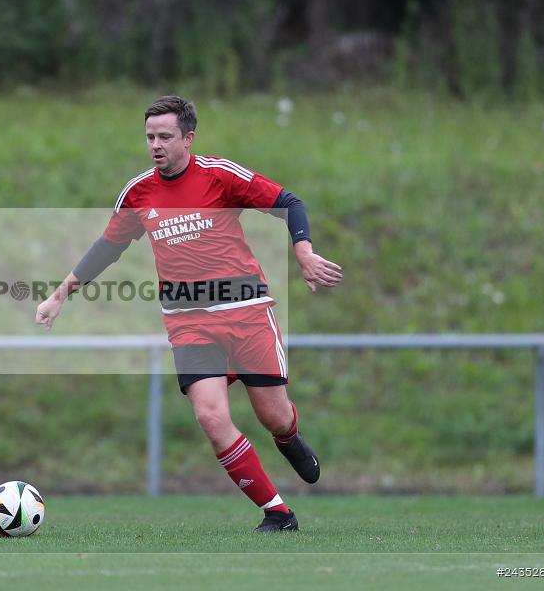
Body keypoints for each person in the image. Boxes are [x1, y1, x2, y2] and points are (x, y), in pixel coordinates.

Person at [36, 96, 342, 532]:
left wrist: (304, 252)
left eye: (165, 136)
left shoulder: (219, 175)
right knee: (211, 417)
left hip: (246, 311)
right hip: (188, 320)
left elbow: (289, 202)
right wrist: (60, 293)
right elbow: (108, 246)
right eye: (149, 137)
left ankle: (288, 436)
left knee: (273, 416)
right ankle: (277, 513)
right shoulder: (139, 191)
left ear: (188, 138)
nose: (155, 145)